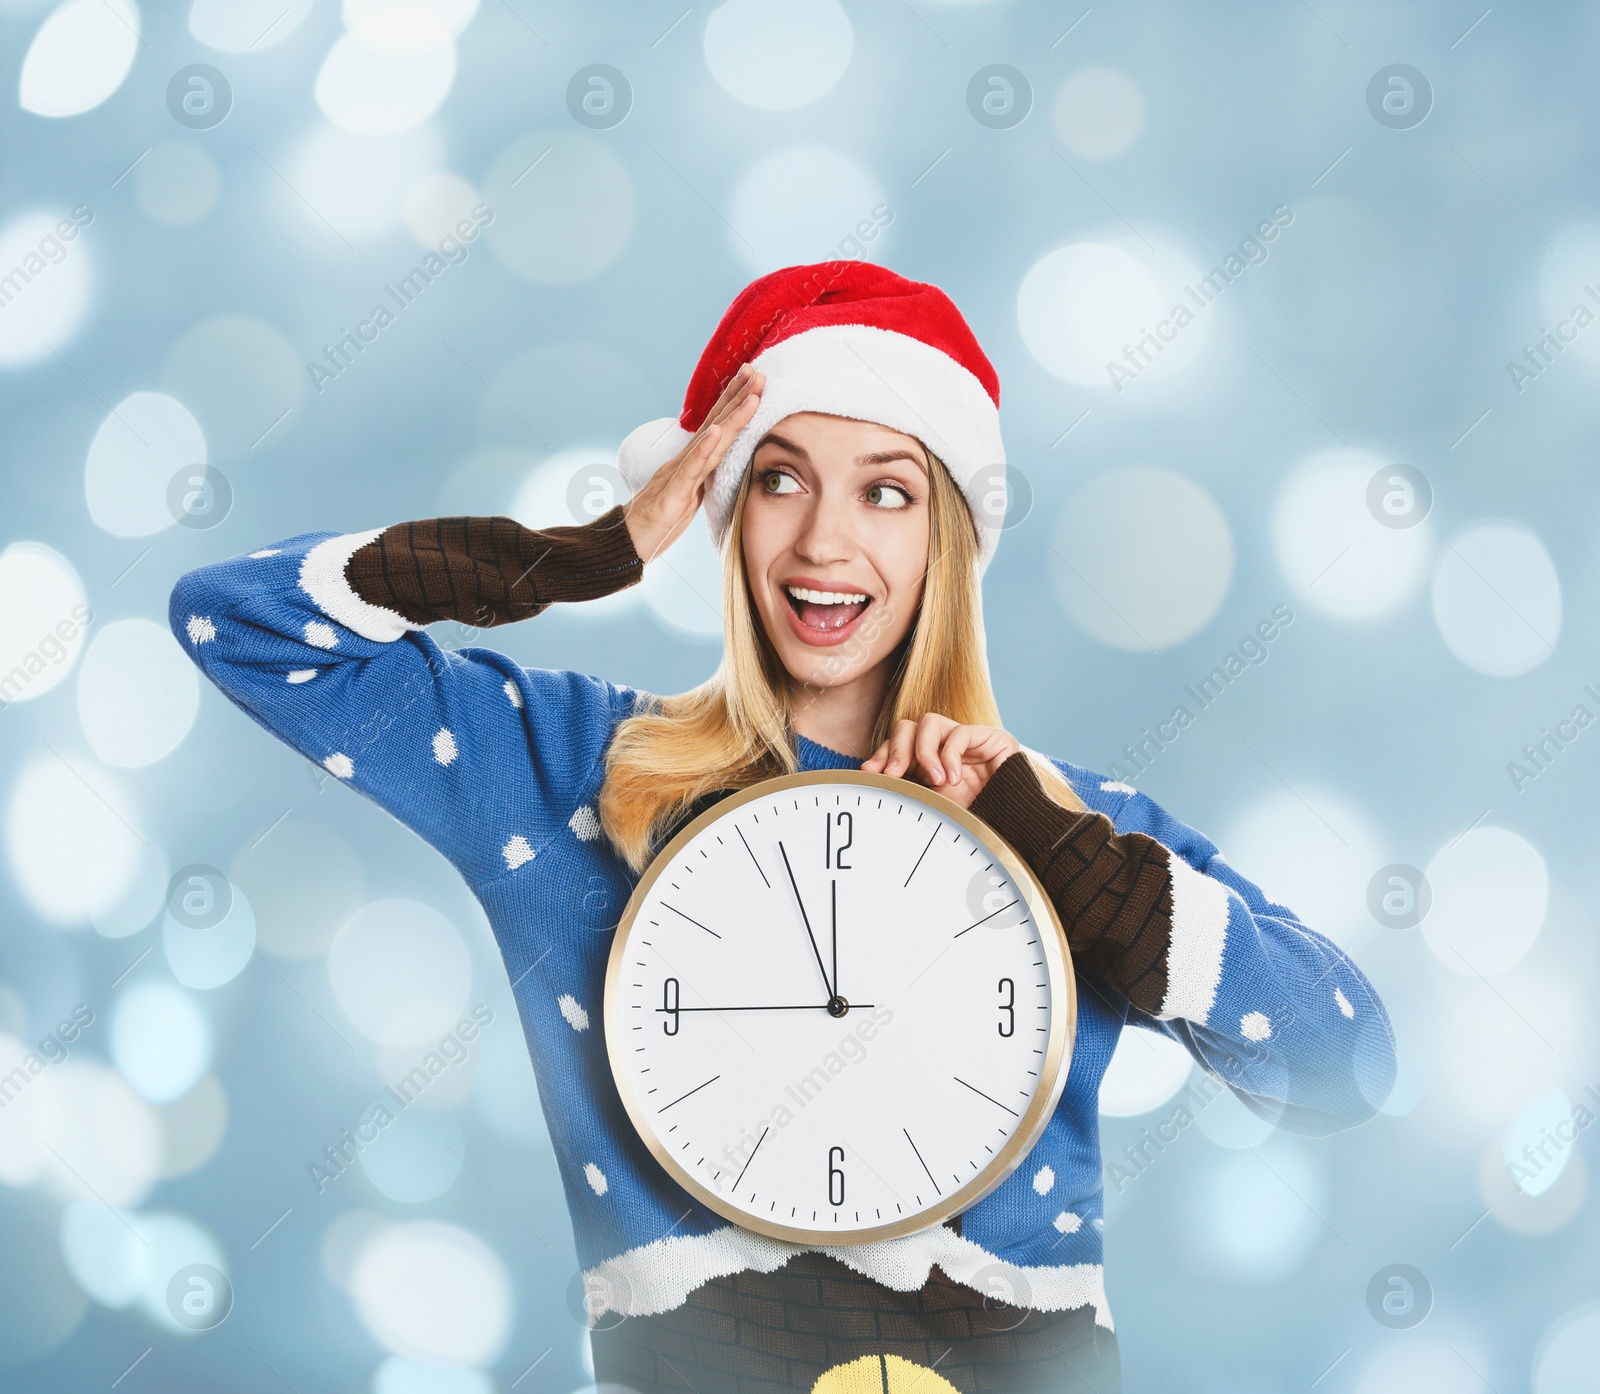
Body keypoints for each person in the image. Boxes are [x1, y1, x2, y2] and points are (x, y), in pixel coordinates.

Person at [170, 261, 1396, 1393]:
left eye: (887, 490)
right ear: (723, 505)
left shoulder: (1071, 828)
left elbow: (1346, 1066)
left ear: (949, 536)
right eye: (779, 476)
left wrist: (1056, 843)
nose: (824, 539)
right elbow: (237, 619)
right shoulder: (577, 772)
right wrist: (582, 551)